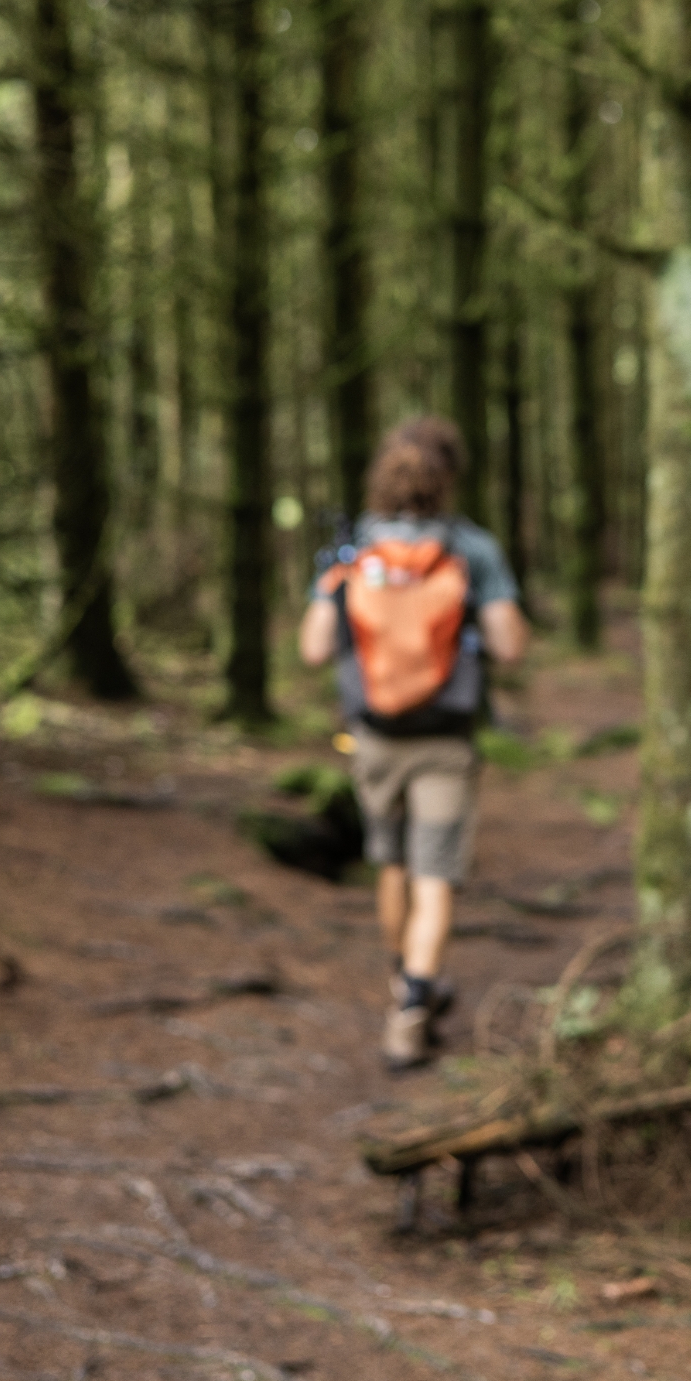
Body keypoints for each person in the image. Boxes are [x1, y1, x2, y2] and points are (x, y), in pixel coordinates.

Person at [298, 419, 528, 1071]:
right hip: (446, 738)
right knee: (437, 871)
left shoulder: (351, 551)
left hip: (372, 735)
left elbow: (314, 647)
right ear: (450, 477)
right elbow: (509, 645)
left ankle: (405, 978)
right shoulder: (471, 550)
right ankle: (412, 1008)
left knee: (391, 863)